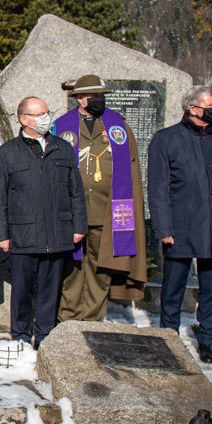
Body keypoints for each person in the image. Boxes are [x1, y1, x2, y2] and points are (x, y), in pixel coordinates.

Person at [148, 85, 212, 363]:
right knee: (173, 286)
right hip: (181, 225)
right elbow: (157, 189)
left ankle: (206, 340)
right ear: (193, 108)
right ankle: (169, 335)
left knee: (211, 287)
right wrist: (163, 228)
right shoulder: (166, 139)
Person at [0, 96, 87, 349]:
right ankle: (20, 335)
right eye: (40, 114)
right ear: (24, 119)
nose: (47, 118)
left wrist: (79, 227)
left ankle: (44, 335)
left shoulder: (62, 149)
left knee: (50, 289)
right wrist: (1, 234)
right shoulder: (7, 153)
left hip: (56, 232)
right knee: (22, 290)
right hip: (22, 234)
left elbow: (75, 190)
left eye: (47, 112)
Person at [52, 74, 147, 322]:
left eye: (101, 96)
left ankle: (93, 318)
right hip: (72, 211)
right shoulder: (61, 126)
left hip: (108, 210)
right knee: (71, 269)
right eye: (94, 96)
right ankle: (69, 319)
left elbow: (132, 167)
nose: (99, 100)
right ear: (80, 99)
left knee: (100, 267)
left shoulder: (118, 125)